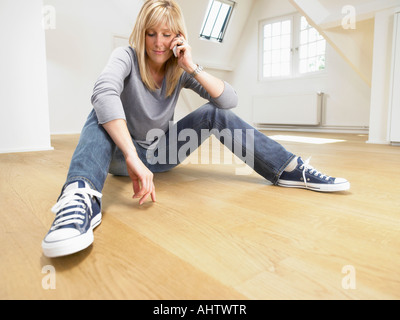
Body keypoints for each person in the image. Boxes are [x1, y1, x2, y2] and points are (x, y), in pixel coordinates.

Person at [42, 0, 350, 258]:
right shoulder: (125, 56)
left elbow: (229, 100)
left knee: (214, 112)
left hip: (160, 154)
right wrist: (132, 156)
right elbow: (104, 91)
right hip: (123, 158)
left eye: (166, 34)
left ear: (178, 37)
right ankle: (81, 196)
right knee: (99, 107)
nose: (159, 43)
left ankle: (288, 169)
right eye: (151, 34)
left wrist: (192, 66)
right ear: (141, 33)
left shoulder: (179, 68)